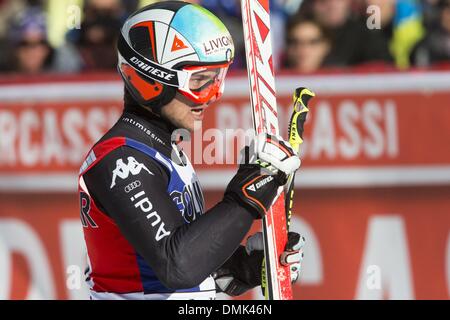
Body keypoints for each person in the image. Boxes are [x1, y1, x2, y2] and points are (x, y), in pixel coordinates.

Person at [78, 1, 304, 300]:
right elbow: (176, 266)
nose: (213, 95)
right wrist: (243, 200)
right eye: (199, 81)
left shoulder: (163, 151)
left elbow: (182, 270)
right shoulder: (122, 159)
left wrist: (241, 267)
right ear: (151, 81)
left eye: (217, 79)